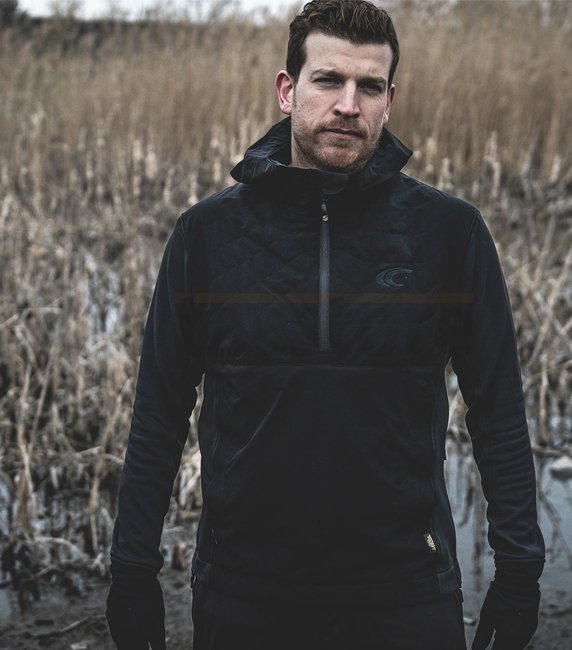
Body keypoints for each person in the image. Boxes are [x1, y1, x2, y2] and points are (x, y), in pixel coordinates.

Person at [105, 1, 545, 649]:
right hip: (244, 591)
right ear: (288, 91)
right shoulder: (208, 234)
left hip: (406, 590)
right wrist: (132, 572)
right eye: (329, 80)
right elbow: (159, 413)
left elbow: (499, 410)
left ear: (389, 101)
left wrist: (520, 571)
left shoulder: (449, 233)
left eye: (369, 86)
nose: (348, 104)